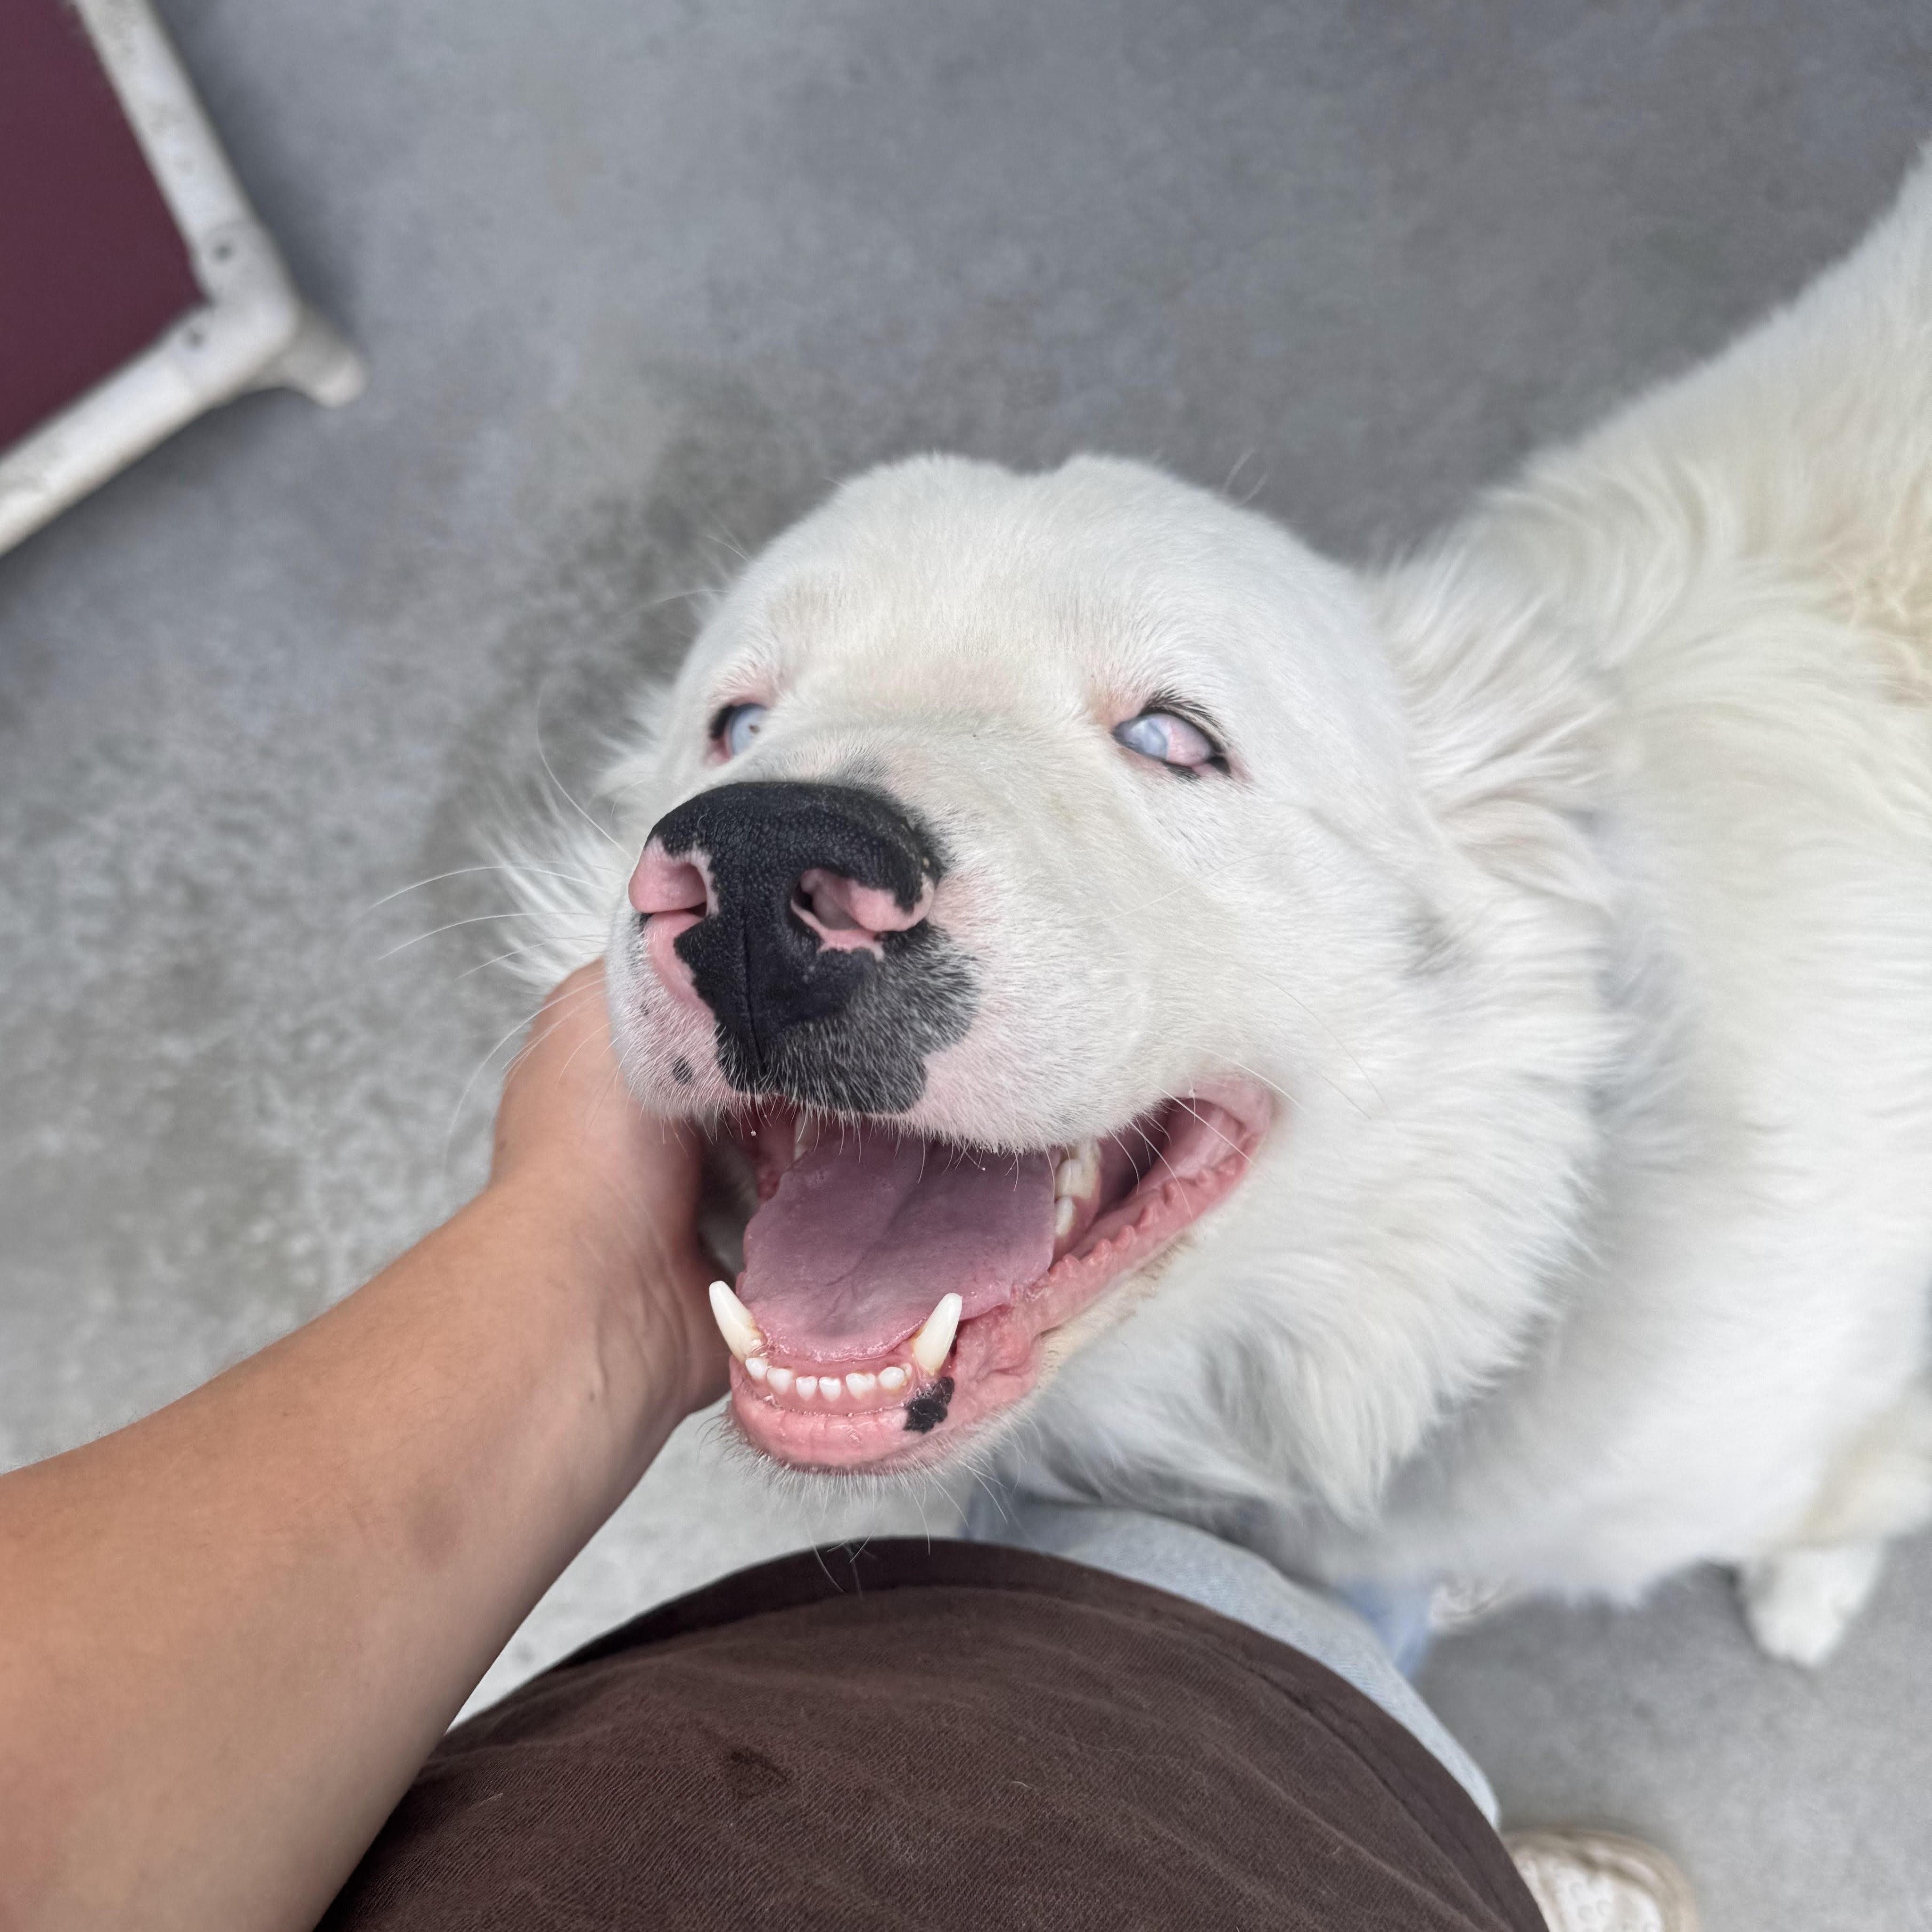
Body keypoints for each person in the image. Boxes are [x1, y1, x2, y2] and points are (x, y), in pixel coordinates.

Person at [0, 967, 1696, 1932]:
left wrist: (589, 1281)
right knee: (1301, 1682)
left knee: (1113, 1592)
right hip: (1214, 1828)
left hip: (760, 1759)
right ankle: (1446, 1862)